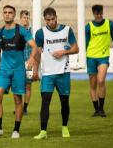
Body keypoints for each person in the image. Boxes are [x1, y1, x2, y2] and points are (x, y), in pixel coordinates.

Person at [0, 5, 39, 139]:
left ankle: (16, 130)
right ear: (3, 14)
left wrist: (31, 58)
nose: (7, 15)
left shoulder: (22, 31)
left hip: (18, 70)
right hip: (4, 70)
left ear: (14, 15)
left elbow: (34, 46)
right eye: (5, 12)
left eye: (10, 13)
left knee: (17, 100)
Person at [33, 7, 79, 139]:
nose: (51, 22)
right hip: (47, 74)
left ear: (56, 17)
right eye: (48, 20)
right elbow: (37, 54)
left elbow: (76, 48)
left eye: (52, 19)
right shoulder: (40, 33)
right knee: (45, 102)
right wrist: (35, 71)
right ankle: (43, 131)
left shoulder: (67, 30)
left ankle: (64, 127)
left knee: (64, 102)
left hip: (63, 73)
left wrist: (63, 52)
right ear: (45, 20)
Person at [85, 4, 113, 117]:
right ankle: (96, 110)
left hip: (103, 57)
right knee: (93, 84)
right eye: (96, 14)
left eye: (100, 13)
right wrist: (82, 59)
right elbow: (85, 43)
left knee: (101, 80)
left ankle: (102, 109)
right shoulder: (88, 27)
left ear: (102, 12)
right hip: (91, 57)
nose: (99, 16)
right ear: (93, 14)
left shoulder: (110, 24)